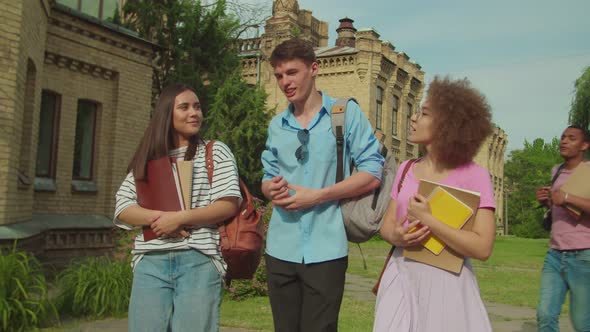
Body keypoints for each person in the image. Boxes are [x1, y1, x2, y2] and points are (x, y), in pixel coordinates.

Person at [260, 38, 384, 332]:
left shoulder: (344, 115)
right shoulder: (277, 125)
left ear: (314, 69)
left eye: (292, 72)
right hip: (281, 247)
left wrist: (318, 196)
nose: (285, 82)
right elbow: (267, 176)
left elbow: (372, 171)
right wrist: (269, 189)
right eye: (279, 75)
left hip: (327, 248)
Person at [113, 84, 241, 332]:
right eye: (184, 107)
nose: (194, 113)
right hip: (150, 262)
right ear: (166, 114)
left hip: (198, 260)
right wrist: (162, 219)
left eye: (197, 106)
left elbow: (228, 204)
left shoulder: (214, 151)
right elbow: (123, 207)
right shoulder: (148, 159)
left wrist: (180, 218)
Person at [373, 76, 496, 332]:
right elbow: (387, 225)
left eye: (424, 113)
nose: (413, 118)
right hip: (400, 276)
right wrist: (396, 235)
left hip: (447, 283)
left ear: (448, 125)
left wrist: (429, 220)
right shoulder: (406, 168)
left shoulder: (475, 175)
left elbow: (483, 247)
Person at [535, 125, 590, 332]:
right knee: (545, 315)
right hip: (555, 254)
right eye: (563, 137)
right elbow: (560, 208)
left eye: (572, 138)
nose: (564, 141)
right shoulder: (556, 171)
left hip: (584, 255)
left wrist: (566, 197)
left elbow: (569, 201)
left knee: (582, 322)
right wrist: (546, 202)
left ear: (584, 145)